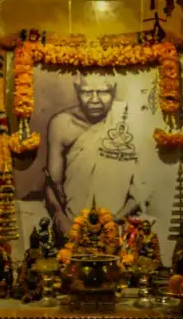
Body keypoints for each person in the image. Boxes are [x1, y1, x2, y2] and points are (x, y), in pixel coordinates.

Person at [44, 74, 144, 238]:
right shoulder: (62, 124)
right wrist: (60, 217)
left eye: (103, 92)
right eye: (87, 92)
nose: (95, 99)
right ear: (77, 92)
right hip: (74, 224)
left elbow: (142, 187)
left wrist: (114, 222)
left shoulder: (127, 122)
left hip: (119, 226)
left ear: (113, 92)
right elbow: (52, 182)